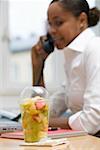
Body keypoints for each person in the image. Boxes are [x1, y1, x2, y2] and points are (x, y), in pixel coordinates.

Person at [31, 0, 100, 135]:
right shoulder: (73, 57)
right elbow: (43, 110)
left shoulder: (95, 49)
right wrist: (37, 66)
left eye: (58, 23)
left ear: (82, 20)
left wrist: (42, 121)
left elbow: (92, 120)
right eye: (50, 24)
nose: (51, 31)